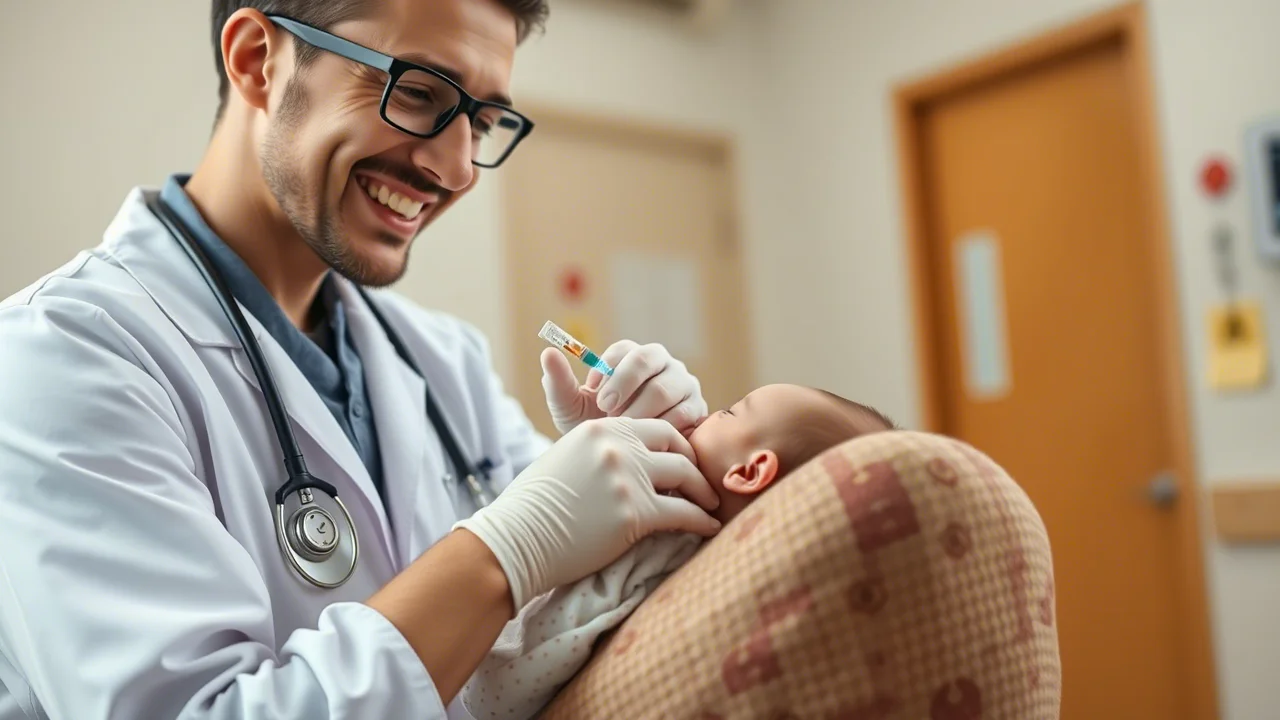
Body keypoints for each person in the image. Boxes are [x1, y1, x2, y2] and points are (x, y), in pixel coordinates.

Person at [0, 2, 726, 718]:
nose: (457, 168)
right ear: (259, 60)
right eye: (417, 92)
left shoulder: (445, 364)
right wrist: (504, 549)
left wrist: (636, 462)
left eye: (478, 121)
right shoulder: (62, 356)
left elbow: (555, 645)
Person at [462, 384, 896, 719]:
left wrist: (508, 557)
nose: (705, 414)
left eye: (728, 413)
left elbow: (491, 691)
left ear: (749, 471)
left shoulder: (662, 552)